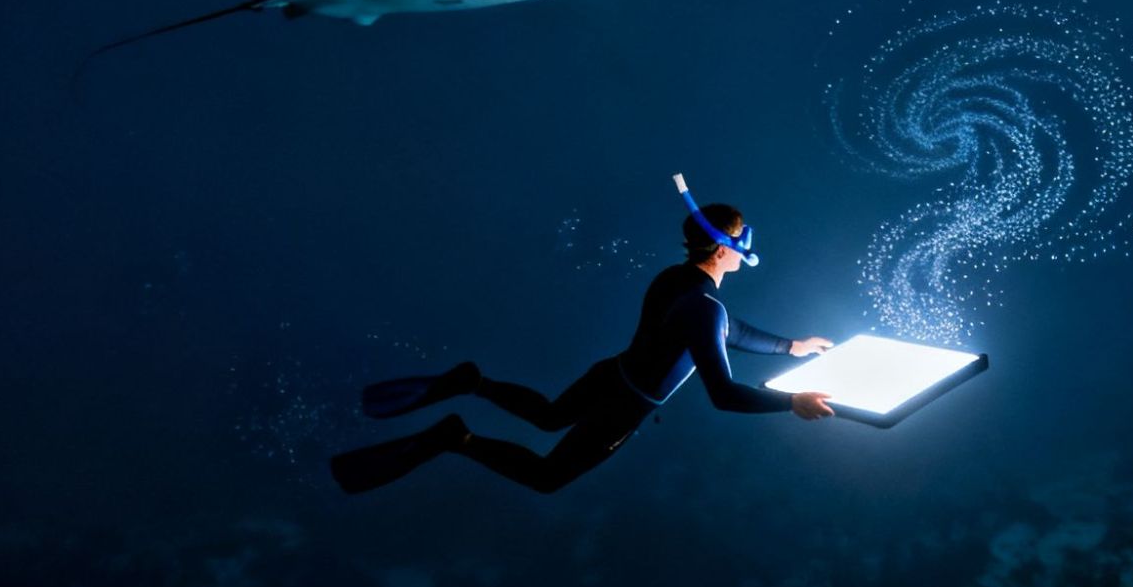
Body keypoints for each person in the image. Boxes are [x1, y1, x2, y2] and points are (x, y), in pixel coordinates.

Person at [330, 201, 834, 494]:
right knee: (547, 477)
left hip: (610, 374)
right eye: (742, 243)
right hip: (625, 406)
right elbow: (722, 393)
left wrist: (792, 346)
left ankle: (473, 382)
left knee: (549, 416)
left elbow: (726, 330)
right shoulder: (706, 308)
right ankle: (455, 438)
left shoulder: (676, 280)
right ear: (724, 250)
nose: (746, 252)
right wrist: (791, 402)